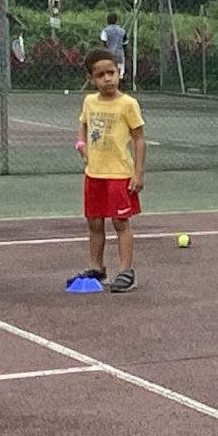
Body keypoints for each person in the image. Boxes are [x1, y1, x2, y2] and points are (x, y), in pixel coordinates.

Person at [75, 46, 147, 292]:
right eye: (101, 75)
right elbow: (83, 124)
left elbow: (139, 139)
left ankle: (126, 271)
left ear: (119, 73)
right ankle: (97, 268)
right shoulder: (89, 101)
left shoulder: (128, 104)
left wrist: (138, 173)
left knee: (120, 222)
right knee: (94, 222)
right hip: (94, 173)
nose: (107, 79)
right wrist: (81, 144)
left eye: (111, 73)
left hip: (119, 174)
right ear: (91, 78)